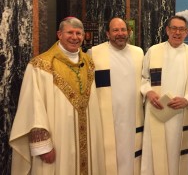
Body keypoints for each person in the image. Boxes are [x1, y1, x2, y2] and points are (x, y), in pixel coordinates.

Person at [9, 17, 105, 174]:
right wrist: (42, 146)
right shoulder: (41, 65)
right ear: (59, 34)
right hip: (58, 140)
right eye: (70, 33)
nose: (75, 37)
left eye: (79, 33)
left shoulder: (89, 63)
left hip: (88, 140)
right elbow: (33, 107)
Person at [141, 15, 188, 175]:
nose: (178, 33)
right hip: (157, 112)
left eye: (182, 29)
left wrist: (187, 100)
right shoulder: (153, 51)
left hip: (182, 114)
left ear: (187, 32)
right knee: (156, 155)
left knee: (180, 156)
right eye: (174, 28)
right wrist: (148, 91)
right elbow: (144, 78)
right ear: (167, 30)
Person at [88, 17, 144, 175]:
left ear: (129, 32)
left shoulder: (138, 52)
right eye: (115, 30)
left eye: (123, 30)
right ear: (107, 33)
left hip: (133, 116)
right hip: (107, 118)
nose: (120, 34)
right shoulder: (94, 53)